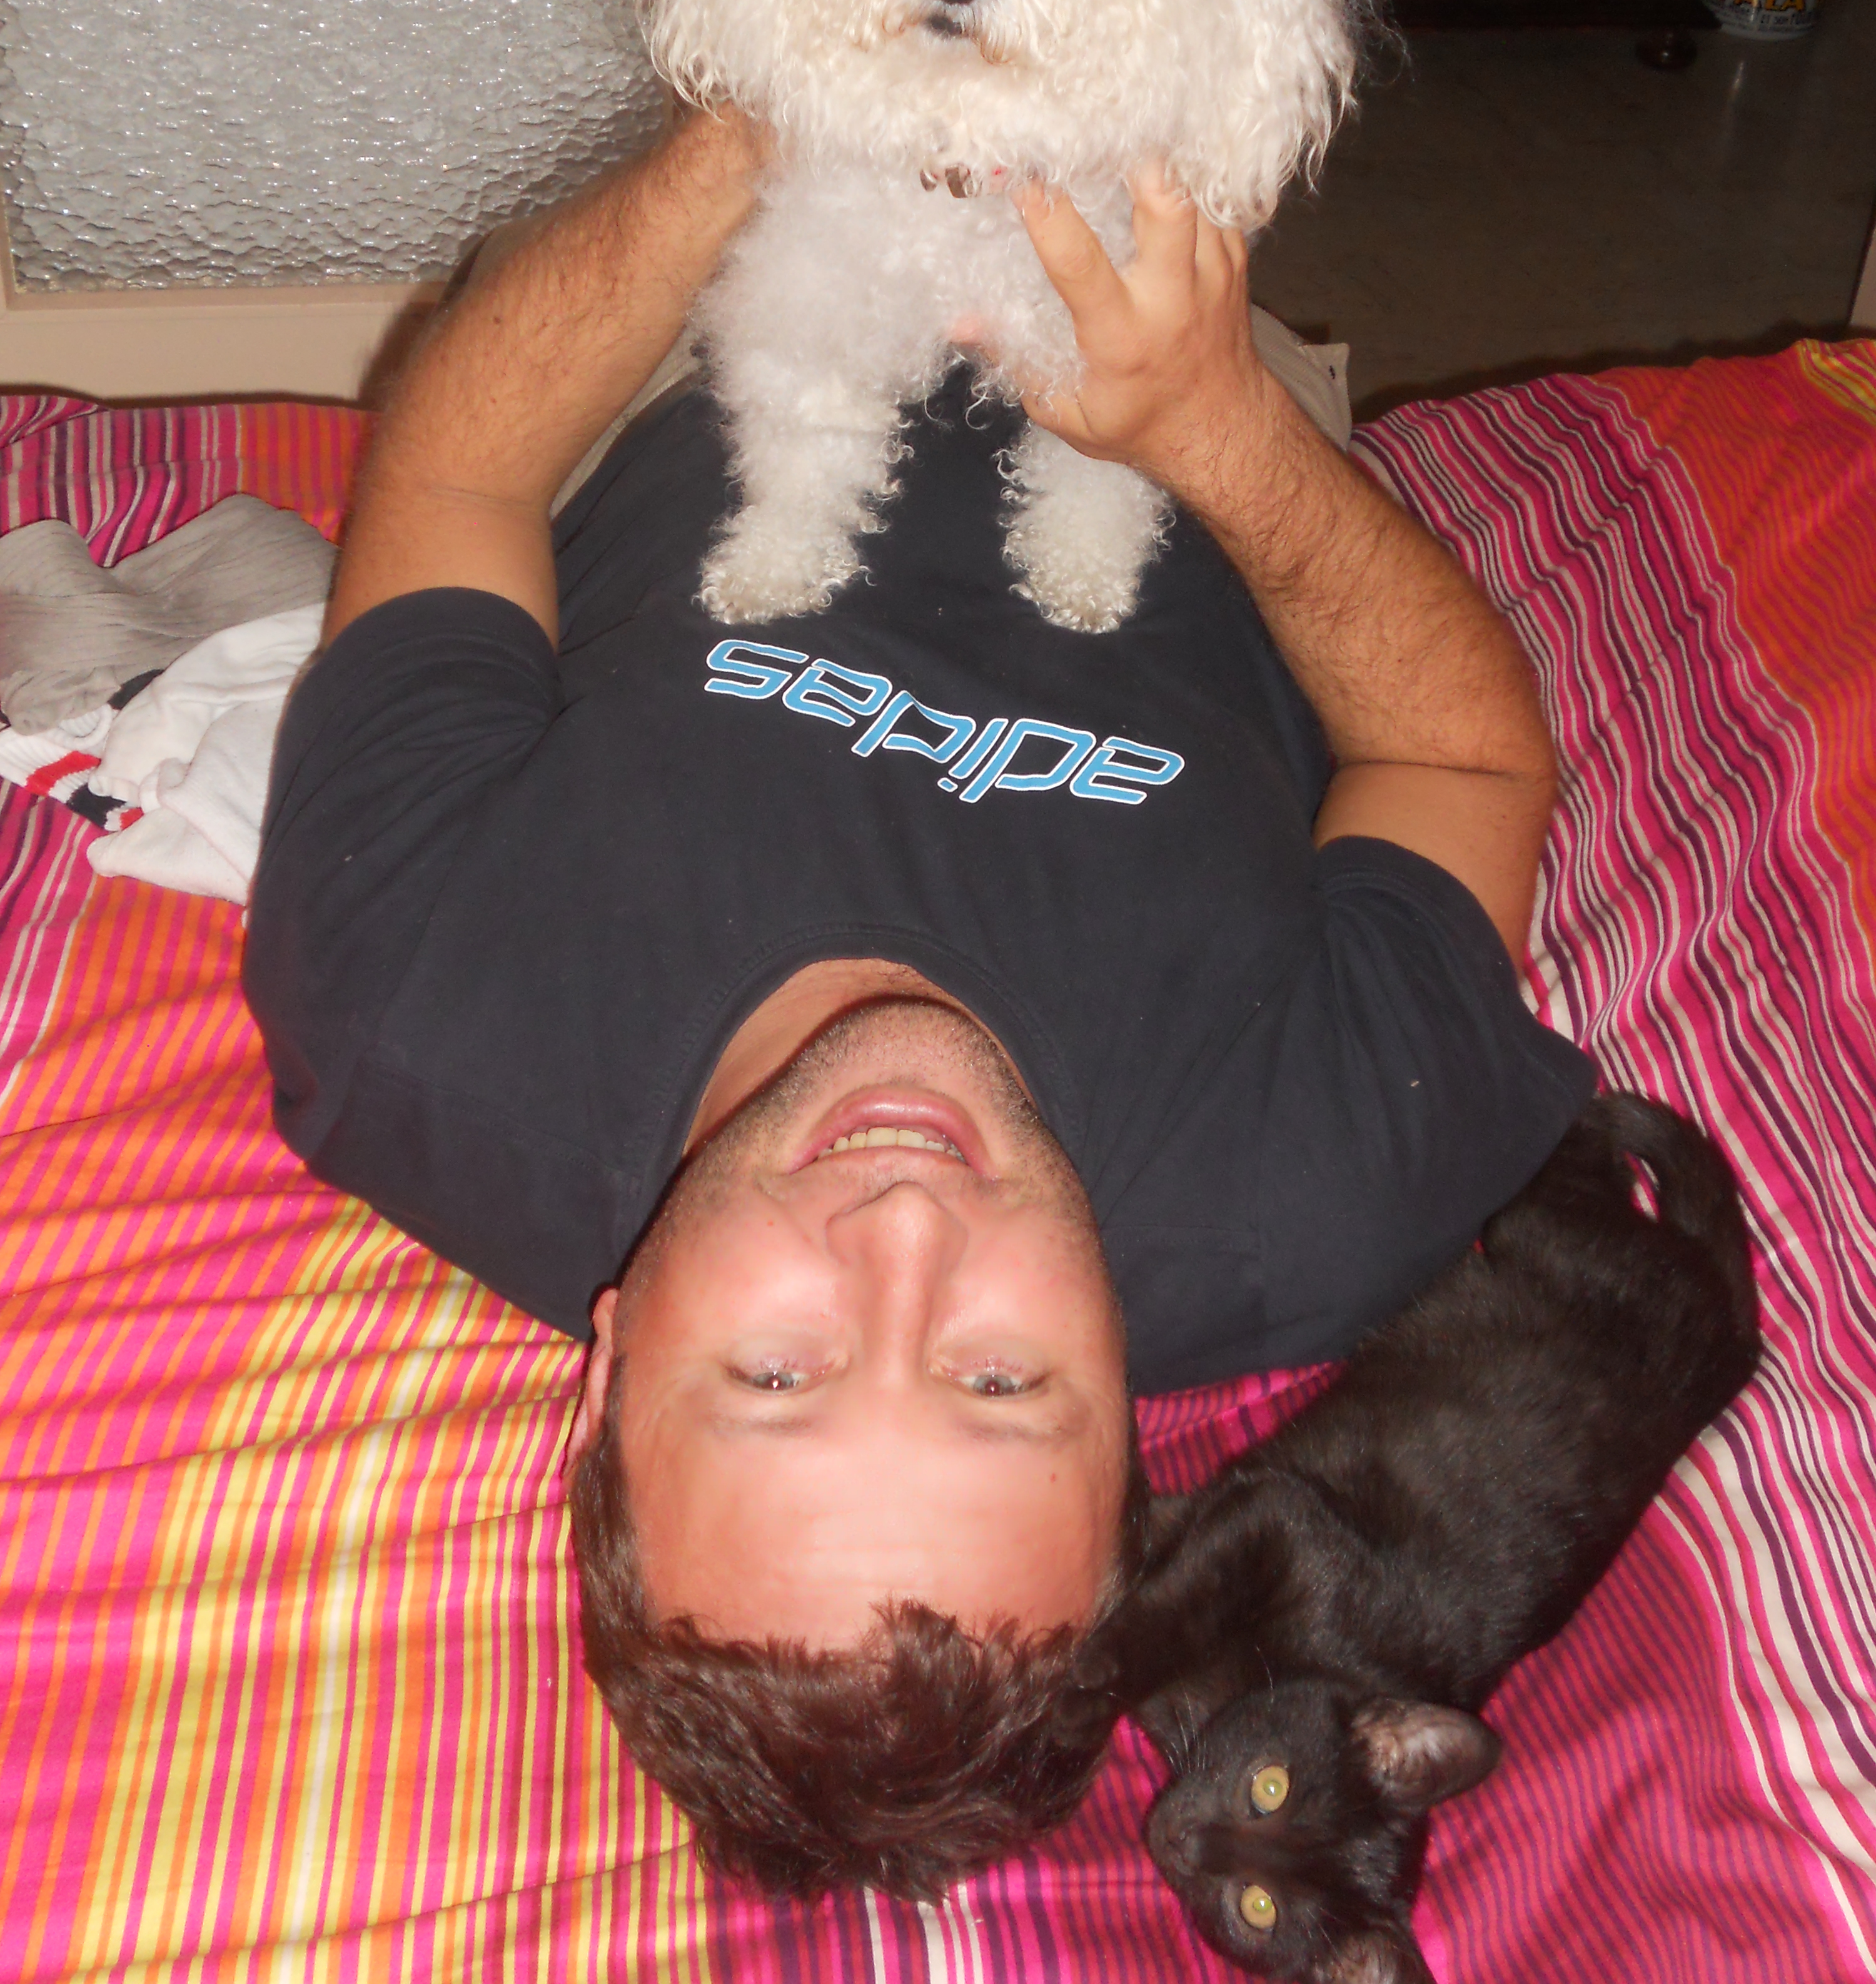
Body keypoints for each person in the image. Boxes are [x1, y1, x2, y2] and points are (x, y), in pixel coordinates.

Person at [243, 108, 1593, 1898]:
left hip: (740, 327)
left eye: (778, 1370)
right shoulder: (1319, 1184)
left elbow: (463, 479)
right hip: (1192, 441)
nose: (903, 1231)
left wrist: (762, 127)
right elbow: (1463, 762)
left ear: (611, 1370)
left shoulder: (407, 1008)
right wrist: (1213, 424)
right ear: (1133, 1417)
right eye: (1000, 1379)